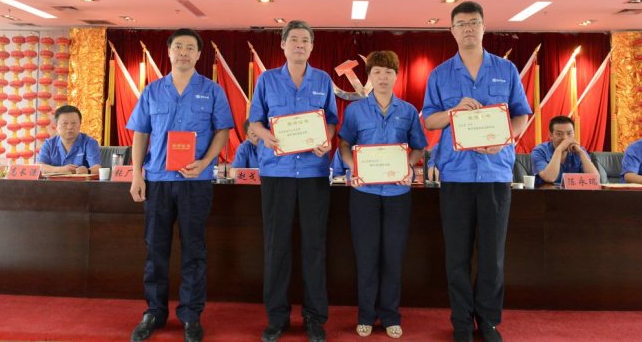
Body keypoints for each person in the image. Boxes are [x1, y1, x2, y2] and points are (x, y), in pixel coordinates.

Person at [422, 1, 531, 342]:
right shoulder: (440, 74)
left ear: (484, 27)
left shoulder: (506, 69)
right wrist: (453, 111)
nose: (468, 28)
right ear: (452, 30)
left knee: (492, 256)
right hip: (456, 176)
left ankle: (488, 321)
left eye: (474, 22)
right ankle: (460, 322)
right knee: (456, 256)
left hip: (495, 175)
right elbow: (429, 120)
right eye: (461, 24)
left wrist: (506, 138)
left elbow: (521, 114)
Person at [127, 28, 233, 342]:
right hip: (158, 181)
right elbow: (141, 134)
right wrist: (136, 174)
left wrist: (206, 162)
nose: (184, 52)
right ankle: (154, 312)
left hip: (194, 181)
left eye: (190, 48)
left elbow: (223, 131)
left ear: (199, 54)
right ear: (170, 52)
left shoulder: (212, 90)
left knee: (194, 251)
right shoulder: (152, 90)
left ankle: (190, 315)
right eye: (178, 47)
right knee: (155, 249)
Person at [249, 20, 338, 342]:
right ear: (283, 45)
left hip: (313, 173)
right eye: (294, 39)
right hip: (277, 173)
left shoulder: (323, 80)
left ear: (312, 47)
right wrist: (265, 135)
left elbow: (331, 122)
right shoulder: (267, 80)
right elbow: (254, 121)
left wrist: (327, 139)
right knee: (277, 248)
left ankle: (315, 318)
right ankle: (277, 318)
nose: (300, 45)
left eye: (305, 40)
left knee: (314, 247)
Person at [337, 51, 427, 339]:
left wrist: (407, 165)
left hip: (398, 193)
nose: (383, 77)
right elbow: (344, 145)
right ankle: (365, 315)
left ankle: (390, 316)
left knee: (393, 256)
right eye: (377, 72)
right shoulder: (355, 111)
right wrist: (353, 167)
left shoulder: (408, 111)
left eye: (388, 72)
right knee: (366, 256)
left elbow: (418, 147)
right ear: (370, 77)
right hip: (364, 192)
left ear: (396, 76)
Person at [531, 116, 598, 185]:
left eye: (569, 133)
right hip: (546, 191)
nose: (565, 138)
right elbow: (550, 178)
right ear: (551, 135)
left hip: (574, 191)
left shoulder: (579, 150)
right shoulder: (539, 151)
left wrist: (581, 153)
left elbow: (594, 179)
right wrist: (559, 150)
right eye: (559, 134)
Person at [37, 104, 101, 174]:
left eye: (74, 123)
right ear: (56, 126)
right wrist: (61, 170)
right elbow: (39, 167)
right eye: (65, 123)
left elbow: (97, 168)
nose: (70, 127)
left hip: (81, 181)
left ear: (80, 124)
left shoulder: (89, 142)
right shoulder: (49, 144)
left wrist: (88, 171)